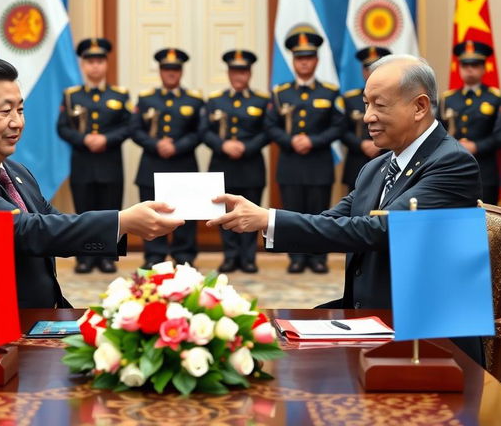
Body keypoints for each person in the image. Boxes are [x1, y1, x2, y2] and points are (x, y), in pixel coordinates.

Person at [207, 55, 484, 365]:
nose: (367, 117)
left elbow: (381, 231)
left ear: (419, 107)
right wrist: (265, 219)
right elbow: (331, 223)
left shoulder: (451, 163)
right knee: (272, 344)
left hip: (432, 343)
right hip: (373, 321)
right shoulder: (376, 167)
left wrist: (268, 218)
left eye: (379, 105)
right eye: (366, 104)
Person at [0, 57, 183, 309]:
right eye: (5, 111)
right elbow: (26, 232)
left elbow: (53, 223)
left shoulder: (13, 169)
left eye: (20, 110)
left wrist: (122, 226)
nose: (18, 123)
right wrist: (122, 221)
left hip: (39, 316)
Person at [266, 24, 345, 274]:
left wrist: (313, 141)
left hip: (318, 163)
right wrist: (290, 141)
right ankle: (296, 257)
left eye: (308, 57)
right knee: (291, 213)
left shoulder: (330, 92)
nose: (304, 63)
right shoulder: (281, 94)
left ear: (316, 60)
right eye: (299, 58)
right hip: (290, 163)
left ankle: (318, 257)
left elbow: (338, 126)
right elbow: (271, 126)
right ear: (293, 60)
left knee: (319, 212)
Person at [57, 38, 131, 274]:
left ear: (106, 64)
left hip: (110, 164)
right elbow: (62, 127)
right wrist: (84, 139)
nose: (95, 66)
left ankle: (109, 257)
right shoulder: (72, 96)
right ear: (83, 65)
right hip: (83, 164)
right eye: (90, 61)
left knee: (112, 212)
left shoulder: (120, 96)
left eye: (99, 61)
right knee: (84, 212)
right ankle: (85, 258)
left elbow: (130, 126)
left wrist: (106, 139)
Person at [130, 48, 203, 268]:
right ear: (160, 71)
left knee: (186, 213)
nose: (171, 73)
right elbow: (135, 129)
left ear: (181, 72)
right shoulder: (145, 99)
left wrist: (177, 146)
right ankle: (154, 255)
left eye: (175, 69)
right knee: (153, 211)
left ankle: (184, 256)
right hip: (152, 164)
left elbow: (201, 131)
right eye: (166, 69)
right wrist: (156, 144)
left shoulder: (195, 100)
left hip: (184, 164)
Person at [200, 50, 269, 274]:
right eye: (235, 71)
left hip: (250, 166)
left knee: (250, 212)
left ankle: (248, 257)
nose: (239, 76)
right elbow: (204, 131)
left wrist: (246, 147)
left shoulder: (262, 101)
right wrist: (223, 145)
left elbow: (268, 131)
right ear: (229, 73)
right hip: (222, 165)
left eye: (244, 71)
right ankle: (229, 256)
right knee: (224, 213)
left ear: (250, 73)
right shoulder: (215, 101)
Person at [440, 40, 501, 204]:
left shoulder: (495, 97)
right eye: (465, 65)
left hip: (485, 170)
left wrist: (477, 146)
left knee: (487, 221)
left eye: (475, 65)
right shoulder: (448, 99)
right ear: (459, 67)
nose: (469, 69)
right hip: (453, 168)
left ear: (483, 68)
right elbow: (438, 132)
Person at [341, 46, 391, 192]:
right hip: (357, 162)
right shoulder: (350, 99)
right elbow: (342, 130)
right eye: (369, 67)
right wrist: (361, 144)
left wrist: (380, 145)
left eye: (378, 66)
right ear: (363, 71)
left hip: (387, 159)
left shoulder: (395, 98)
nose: (372, 71)